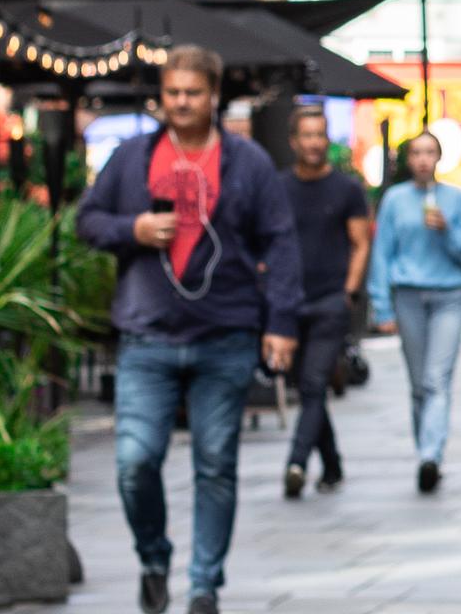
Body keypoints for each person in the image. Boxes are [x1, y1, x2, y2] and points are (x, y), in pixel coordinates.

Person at [76, 46, 302, 614]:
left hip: (224, 334)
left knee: (215, 466)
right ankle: (154, 557)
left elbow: (280, 241)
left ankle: (204, 586)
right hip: (146, 337)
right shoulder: (131, 157)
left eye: (192, 92)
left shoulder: (246, 162)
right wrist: (135, 227)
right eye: (172, 92)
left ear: (214, 95)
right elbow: (87, 220)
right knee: (134, 461)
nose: (181, 102)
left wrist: (280, 322)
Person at [367, 131, 461, 494]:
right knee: (418, 386)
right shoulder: (395, 200)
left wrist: (447, 230)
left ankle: (431, 455)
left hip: (448, 296)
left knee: (435, 380)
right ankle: (424, 452)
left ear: (439, 157)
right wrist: (381, 306)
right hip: (409, 297)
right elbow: (381, 254)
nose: (423, 159)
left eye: (430, 152)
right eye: (417, 153)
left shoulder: (455, 199)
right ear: (408, 159)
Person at [279, 106, 372, 499]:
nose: (315, 143)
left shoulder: (347, 189)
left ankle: (296, 463)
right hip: (289, 302)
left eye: (320, 135)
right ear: (294, 141)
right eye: (307, 135)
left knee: (315, 383)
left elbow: (361, 242)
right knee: (308, 386)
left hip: (332, 301)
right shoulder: (279, 187)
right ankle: (331, 464)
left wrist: (349, 292)